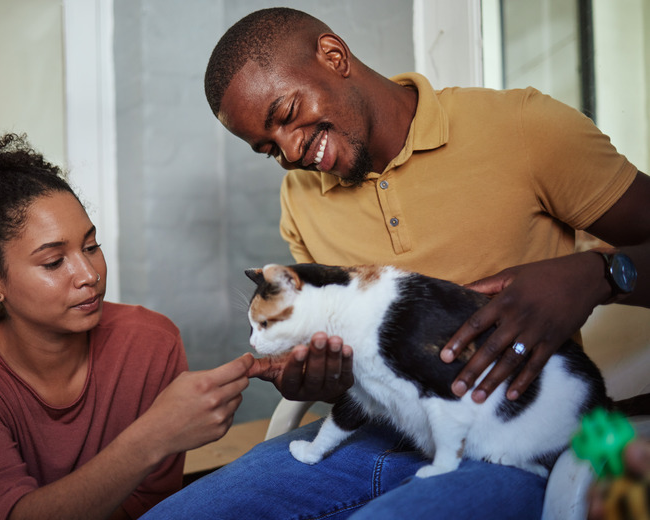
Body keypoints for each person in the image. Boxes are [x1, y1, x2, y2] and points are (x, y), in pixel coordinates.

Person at [141, 7, 650, 520]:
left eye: (288, 113)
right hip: (376, 432)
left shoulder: (521, 126)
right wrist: (317, 377)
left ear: (334, 56)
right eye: (268, 148)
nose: (291, 151)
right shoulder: (299, 197)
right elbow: (358, 361)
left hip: (509, 436)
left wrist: (598, 276)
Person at [0, 133, 261, 520]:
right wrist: (155, 435)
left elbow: (149, 505)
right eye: (53, 262)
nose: (89, 275)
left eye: (91, 247)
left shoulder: (150, 343)